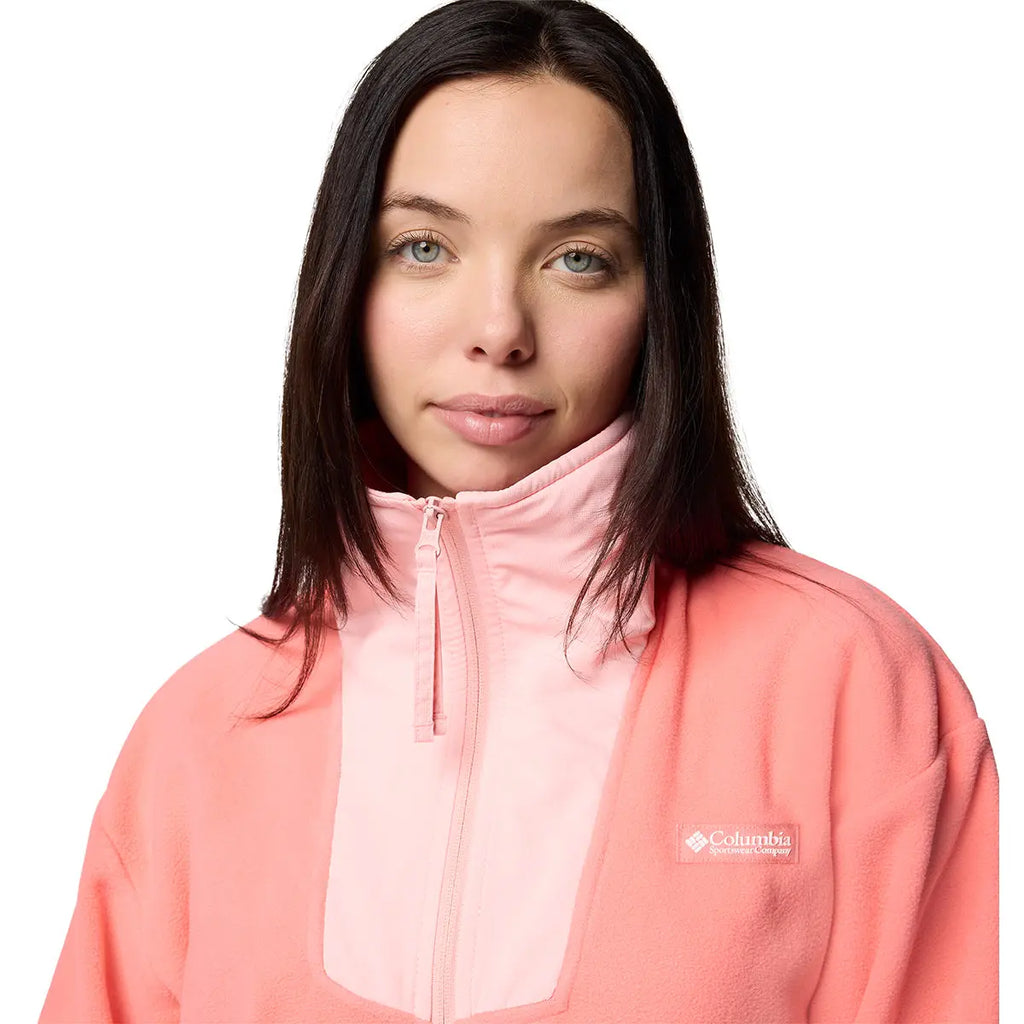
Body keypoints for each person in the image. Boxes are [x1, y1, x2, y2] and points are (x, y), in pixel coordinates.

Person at [39, 1, 998, 1021]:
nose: (499, 329)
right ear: (346, 282)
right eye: (423, 247)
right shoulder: (201, 734)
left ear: (659, 299)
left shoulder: (849, 686)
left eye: (578, 257)